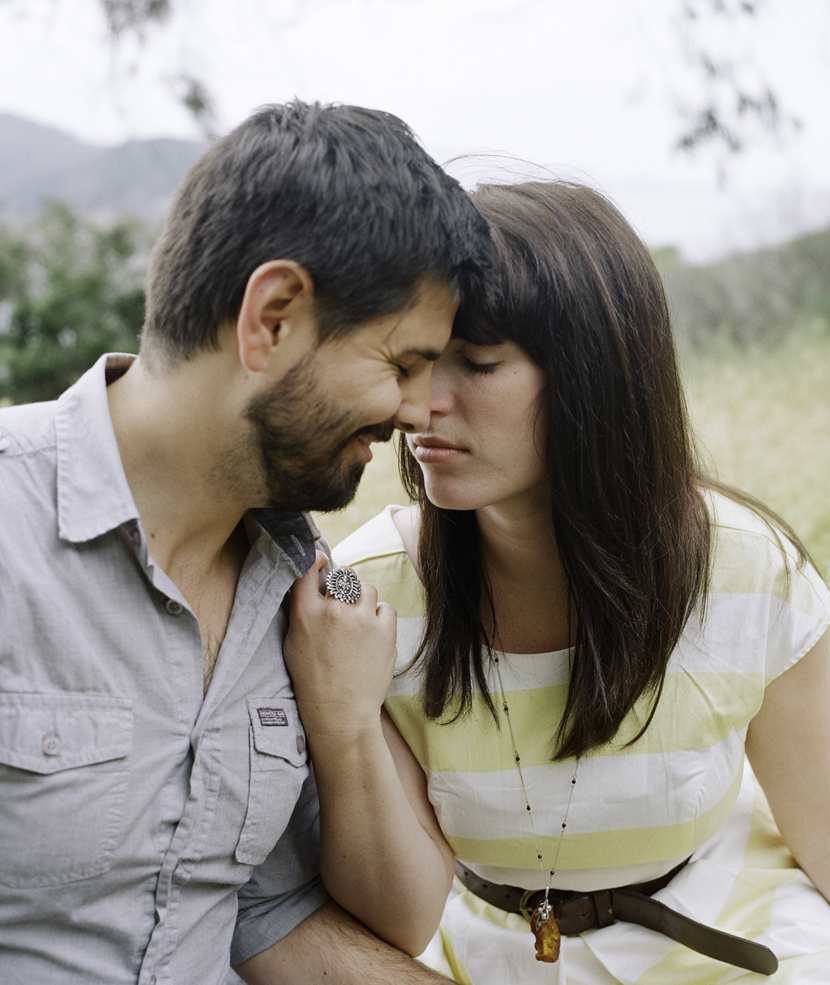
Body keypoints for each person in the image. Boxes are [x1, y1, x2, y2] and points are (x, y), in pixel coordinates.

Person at [291, 181, 830, 983]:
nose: (422, 406)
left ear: (594, 377)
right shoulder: (369, 599)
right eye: (416, 362)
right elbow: (401, 916)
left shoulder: (747, 573)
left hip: (719, 933)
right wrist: (343, 722)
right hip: (490, 956)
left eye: (476, 364)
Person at [0, 100, 494, 985]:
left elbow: (263, 918)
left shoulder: (304, 596)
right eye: (403, 364)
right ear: (271, 317)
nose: (419, 412)